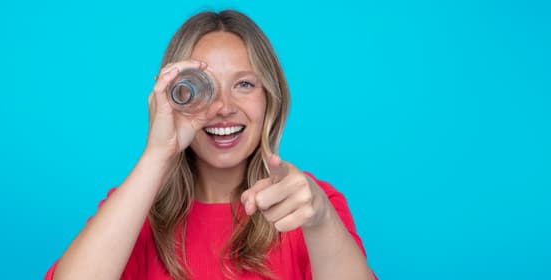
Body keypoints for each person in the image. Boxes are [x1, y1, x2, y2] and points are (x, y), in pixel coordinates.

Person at [46, 10, 376, 280]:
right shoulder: (134, 211)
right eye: (205, 88)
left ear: (269, 101)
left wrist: (321, 220)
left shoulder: (309, 207)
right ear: (176, 97)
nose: (224, 107)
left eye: (244, 84)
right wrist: (159, 153)